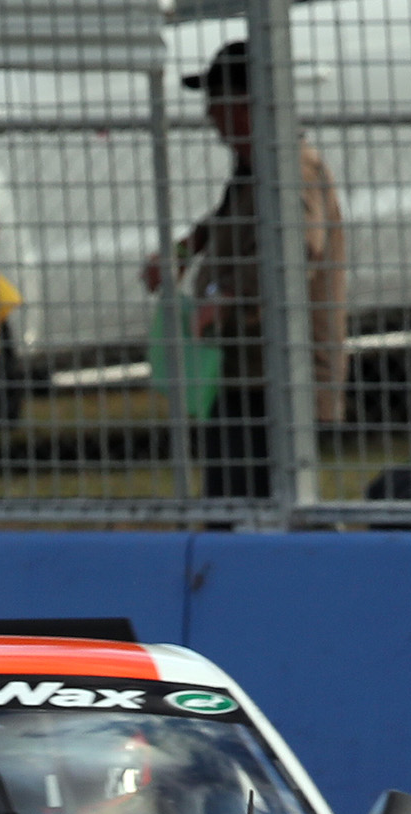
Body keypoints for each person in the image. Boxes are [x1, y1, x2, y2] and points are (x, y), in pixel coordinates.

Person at [146, 37, 347, 503]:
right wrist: (188, 247)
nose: (210, 116)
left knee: (260, 511)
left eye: (218, 102)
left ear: (249, 105)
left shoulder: (291, 169)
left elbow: (297, 252)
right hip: (244, 371)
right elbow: (229, 219)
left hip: (281, 380)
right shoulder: (253, 167)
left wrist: (226, 300)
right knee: (233, 506)